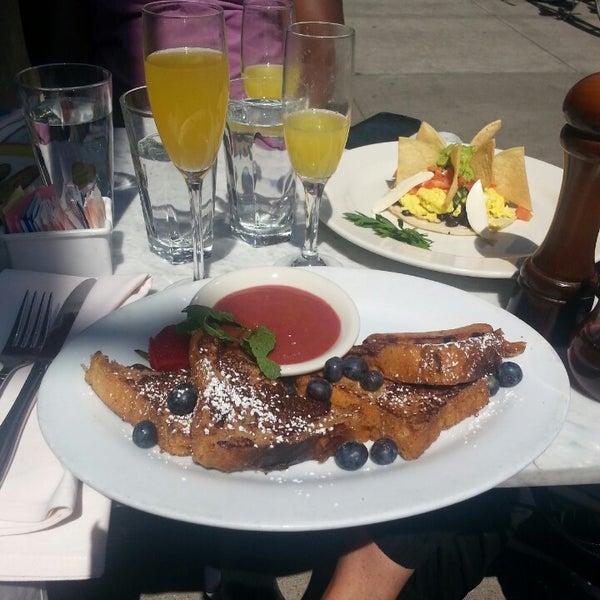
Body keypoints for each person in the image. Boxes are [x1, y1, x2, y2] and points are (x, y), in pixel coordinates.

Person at [17, 0, 344, 126]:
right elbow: (61, 60)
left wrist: (286, 150)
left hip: (253, 135)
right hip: (130, 139)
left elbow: (323, 43)